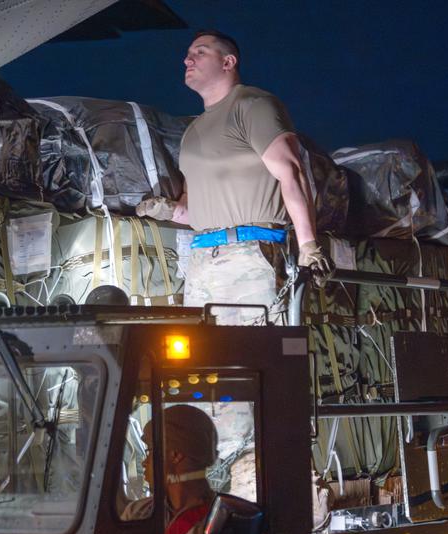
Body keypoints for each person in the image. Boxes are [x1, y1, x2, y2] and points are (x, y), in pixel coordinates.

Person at [137, 30, 333, 324]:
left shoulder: (253, 105)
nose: (187, 59)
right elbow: (196, 208)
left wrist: (308, 245)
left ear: (228, 62)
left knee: (257, 355)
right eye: (188, 53)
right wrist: (168, 209)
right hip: (202, 259)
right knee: (205, 359)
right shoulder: (192, 132)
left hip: (252, 255)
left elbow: (292, 172)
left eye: (200, 52)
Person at [123, 405, 219, 534]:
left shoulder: (219, 521)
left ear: (175, 455)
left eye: (150, 451)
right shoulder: (138, 512)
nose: (144, 462)